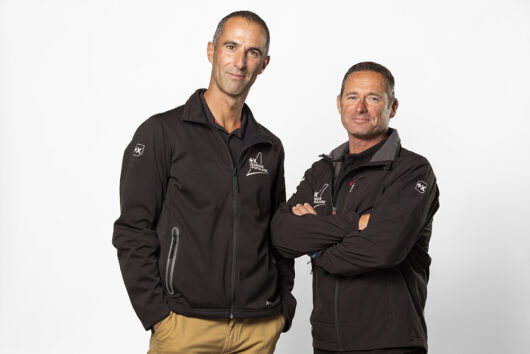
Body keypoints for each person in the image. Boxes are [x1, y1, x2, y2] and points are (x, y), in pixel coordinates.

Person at [113, 11, 295, 354]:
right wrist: (157, 315)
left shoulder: (269, 147)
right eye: (231, 46)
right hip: (184, 327)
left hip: (258, 328)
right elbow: (132, 229)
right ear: (211, 50)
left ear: (264, 63)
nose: (239, 62)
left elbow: (278, 234)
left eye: (252, 52)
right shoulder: (162, 133)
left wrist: (282, 307)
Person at [271, 62, 440, 354]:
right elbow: (282, 234)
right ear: (339, 104)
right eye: (352, 97)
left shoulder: (412, 171)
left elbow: (382, 249)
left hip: (390, 342)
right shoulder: (322, 171)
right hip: (327, 342)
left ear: (393, 106)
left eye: (373, 98)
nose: (360, 107)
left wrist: (315, 247)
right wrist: (357, 223)